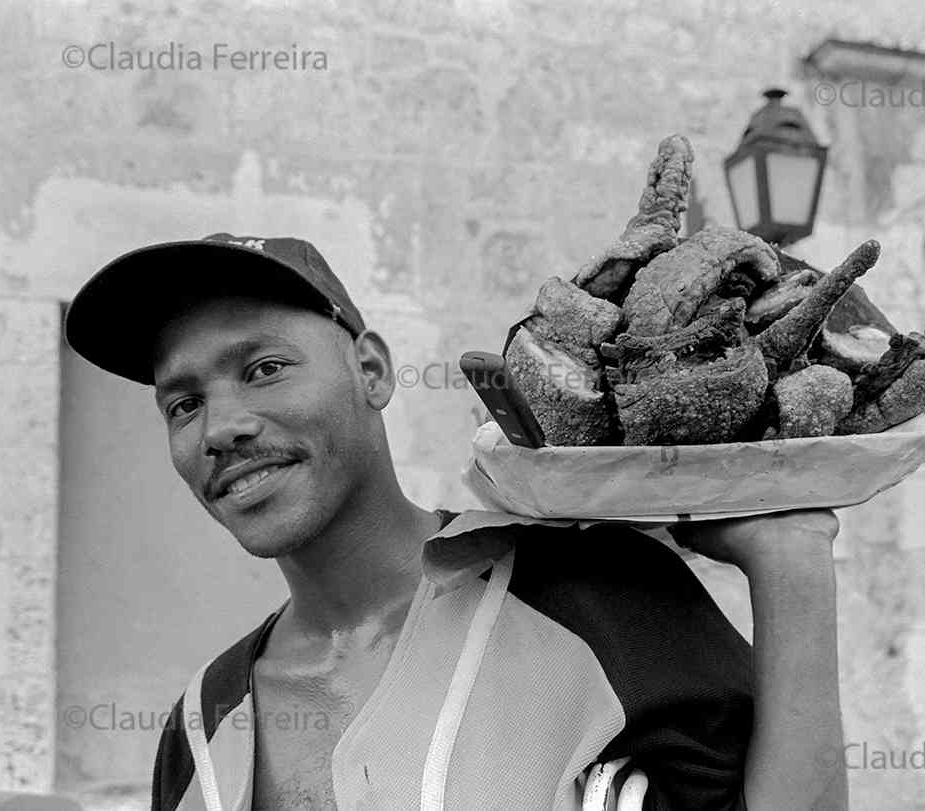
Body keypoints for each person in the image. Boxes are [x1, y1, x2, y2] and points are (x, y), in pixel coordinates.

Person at [64, 233, 846, 811]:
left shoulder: (594, 599)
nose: (219, 427)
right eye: (184, 403)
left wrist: (793, 563)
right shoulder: (200, 722)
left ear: (370, 370)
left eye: (264, 369)